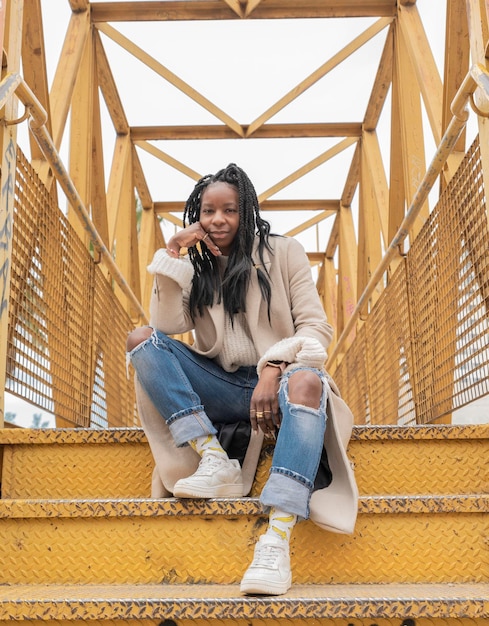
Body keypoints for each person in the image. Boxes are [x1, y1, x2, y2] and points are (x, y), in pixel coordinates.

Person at [126, 163, 358, 596]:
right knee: (142, 340)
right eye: (208, 211)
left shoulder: (284, 252)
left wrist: (274, 366)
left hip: (286, 380)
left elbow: (316, 329)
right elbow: (166, 324)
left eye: (229, 210)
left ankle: (277, 538)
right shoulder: (196, 267)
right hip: (226, 386)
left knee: (309, 383)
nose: (217, 220)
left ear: (246, 211)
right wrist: (173, 254)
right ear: (197, 213)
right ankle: (212, 455)